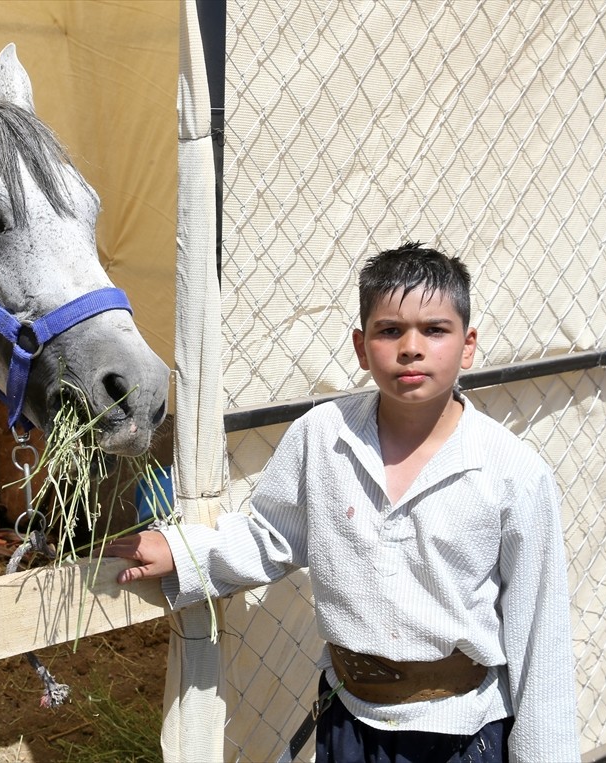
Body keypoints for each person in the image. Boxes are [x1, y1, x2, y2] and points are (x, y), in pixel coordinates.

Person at [107, 242, 579, 762]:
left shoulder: (512, 472)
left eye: (435, 330)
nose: (411, 348)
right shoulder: (322, 437)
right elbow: (272, 536)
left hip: (462, 732)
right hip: (349, 721)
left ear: (467, 346)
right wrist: (184, 553)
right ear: (360, 346)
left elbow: (541, 639)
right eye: (390, 330)